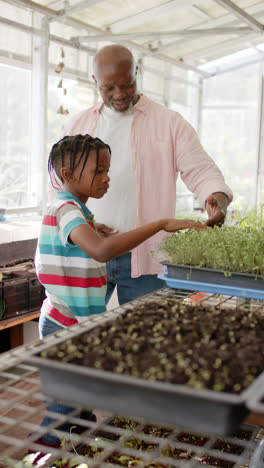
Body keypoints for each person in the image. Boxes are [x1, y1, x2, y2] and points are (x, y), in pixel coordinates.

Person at [35, 133, 207, 450]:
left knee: (79, 409)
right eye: (98, 171)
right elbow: (101, 251)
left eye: (107, 170)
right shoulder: (67, 209)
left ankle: (75, 450)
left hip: (72, 324)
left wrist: (92, 226)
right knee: (62, 413)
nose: (107, 178)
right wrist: (159, 224)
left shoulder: (72, 210)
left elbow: (81, 242)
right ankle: (43, 453)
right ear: (69, 175)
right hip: (65, 326)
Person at [48, 44, 233, 306]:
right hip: (86, 253)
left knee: (146, 336)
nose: (120, 94)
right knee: (82, 333)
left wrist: (217, 199)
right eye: (108, 88)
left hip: (146, 257)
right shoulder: (77, 125)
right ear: (94, 81)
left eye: (127, 84)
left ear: (137, 72)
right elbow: (56, 187)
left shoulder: (168, 122)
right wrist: (82, 225)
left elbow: (202, 171)